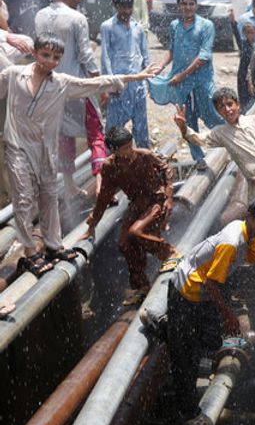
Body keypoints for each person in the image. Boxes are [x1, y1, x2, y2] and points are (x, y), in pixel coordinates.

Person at [0, 33, 157, 276]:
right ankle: (30, 252)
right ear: (35, 53)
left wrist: (134, 77)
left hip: (46, 149)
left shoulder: (61, 83)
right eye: (45, 55)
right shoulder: (12, 75)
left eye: (55, 57)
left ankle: (53, 245)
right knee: (23, 198)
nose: (50, 61)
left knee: (49, 196)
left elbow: (94, 84)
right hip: (17, 146)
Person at [167, 197, 255, 421]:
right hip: (185, 292)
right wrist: (229, 316)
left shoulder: (251, 238)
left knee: (211, 340)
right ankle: (189, 412)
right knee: (185, 356)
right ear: (250, 217)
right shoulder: (232, 242)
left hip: (203, 294)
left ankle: (169, 328)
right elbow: (211, 283)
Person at [84, 127, 179, 304]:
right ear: (114, 150)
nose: (129, 151)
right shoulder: (109, 167)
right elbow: (104, 197)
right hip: (136, 204)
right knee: (124, 243)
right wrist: (92, 224)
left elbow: (166, 169)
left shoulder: (144, 155)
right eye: (125, 148)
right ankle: (141, 286)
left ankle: (169, 252)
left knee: (135, 231)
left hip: (155, 200)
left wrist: (169, 198)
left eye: (130, 145)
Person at [35, 0, 108, 196]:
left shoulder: (40, 16)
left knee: (63, 135)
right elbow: (86, 56)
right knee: (96, 135)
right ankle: (101, 186)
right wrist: (100, 84)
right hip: (77, 87)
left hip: (50, 88)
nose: (79, 1)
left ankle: (69, 187)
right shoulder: (76, 18)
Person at [174, 87, 255, 209]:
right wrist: (183, 127)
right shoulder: (221, 133)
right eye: (222, 107)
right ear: (218, 112)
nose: (227, 110)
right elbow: (198, 139)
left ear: (237, 105)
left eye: (229, 104)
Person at [149, 0, 223, 172]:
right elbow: (172, 51)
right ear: (178, 6)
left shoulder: (206, 26)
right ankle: (198, 157)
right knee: (187, 119)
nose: (188, 7)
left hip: (201, 79)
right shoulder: (175, 26)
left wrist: (182, 75)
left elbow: (204, 56)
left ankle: (227, 141)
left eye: (191, 4)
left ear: (196, 5)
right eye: (184, 4)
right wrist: (161, 67)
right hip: (180, 82)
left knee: (210, 113)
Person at [100, 0, 151, 149]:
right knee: (114, 127)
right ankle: (111, 161)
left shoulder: (138, 28)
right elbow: (105, 56)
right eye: (123, 8)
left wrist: (148, 80)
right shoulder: (108, 26)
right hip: (119, 85)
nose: (127, 12)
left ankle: (143, 159)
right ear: (116, 6)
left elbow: (145, 54)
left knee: (141, 127)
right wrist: (110, 83)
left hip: (138, 85)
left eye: (130, 7)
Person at [236, 22, 255, 113]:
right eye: (247, 32)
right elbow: (236, 35)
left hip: (254, 77)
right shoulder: (243, 45)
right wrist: (233, 22)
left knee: (254, 100)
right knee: (245, 100)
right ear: (244, 34)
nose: (250, 35)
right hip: (243, 77)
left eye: (252, 32)